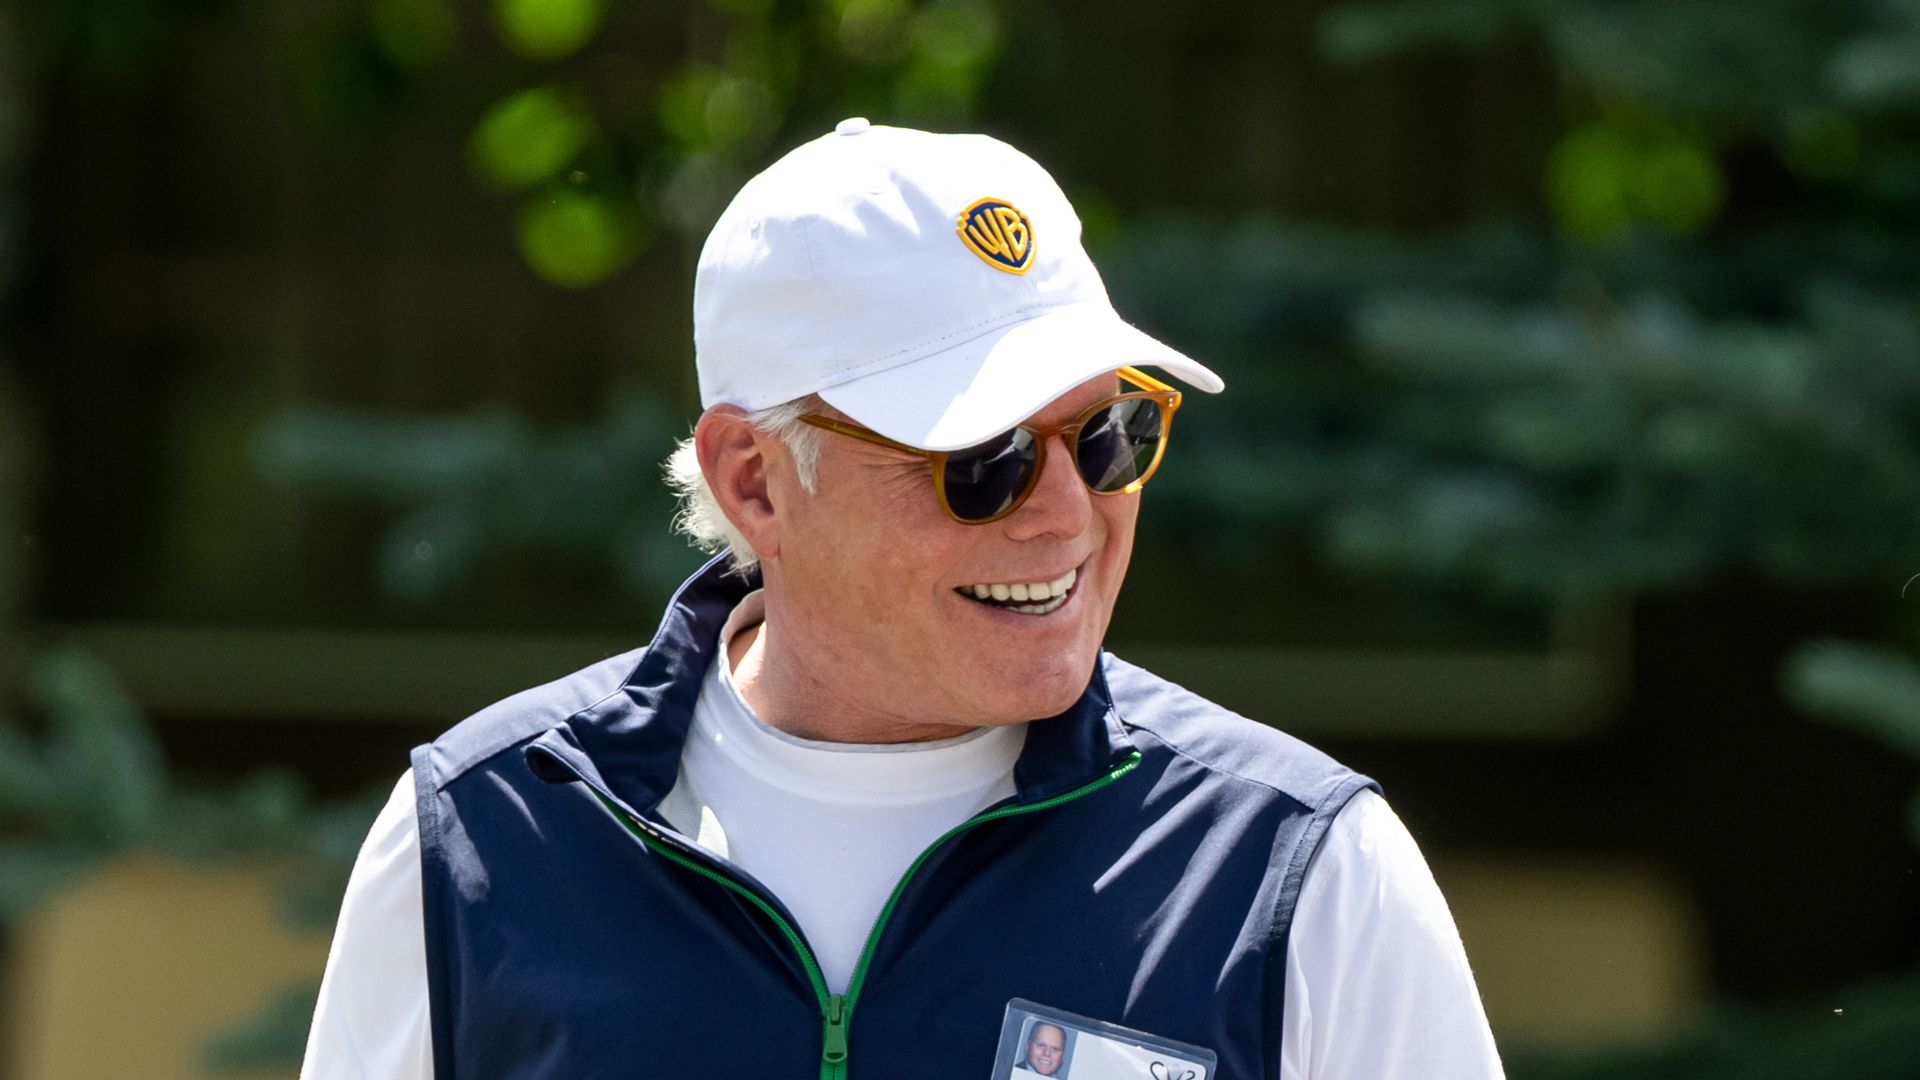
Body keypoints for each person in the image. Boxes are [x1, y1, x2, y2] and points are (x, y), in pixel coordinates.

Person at [300, 119, 1505, 1080]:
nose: (1069, 516)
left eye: (1107, 436)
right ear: (755, 480)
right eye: (979, 462)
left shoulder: (1298, 871)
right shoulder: (479, 843)